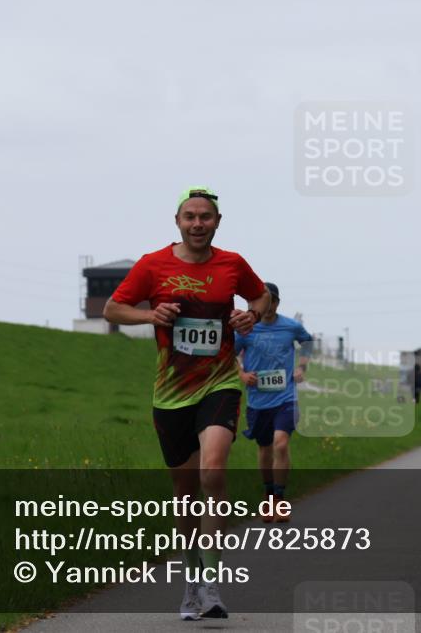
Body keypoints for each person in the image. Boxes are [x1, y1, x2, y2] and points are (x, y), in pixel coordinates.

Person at [103, 186, 270, 621]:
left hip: (220, 382)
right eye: (190, 217)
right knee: (185, 488)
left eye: (206, 217)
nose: (198, 224)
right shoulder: (152, 265)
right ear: (177, 222)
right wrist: (149, 315)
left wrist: (250, 314)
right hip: (172, 390)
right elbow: (113, 309)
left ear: (217, 222)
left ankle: (212, 580)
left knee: (213, 469)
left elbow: (260, 296)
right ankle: (191, 580)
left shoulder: (233, 264)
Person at [235, 282, 313, 524]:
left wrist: (301, 367)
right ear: (253, 304)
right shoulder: (245, 330)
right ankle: (268, 495)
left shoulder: (291, 326)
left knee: (281, 444)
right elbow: (229, 355)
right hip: (258, 400)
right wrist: (241, 375)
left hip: (285, 397)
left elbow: (308, 342)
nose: (267, 307)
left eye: (271, 302)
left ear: (277, 303)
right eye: (262, 302)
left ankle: (279, 499)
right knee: (265, 448)